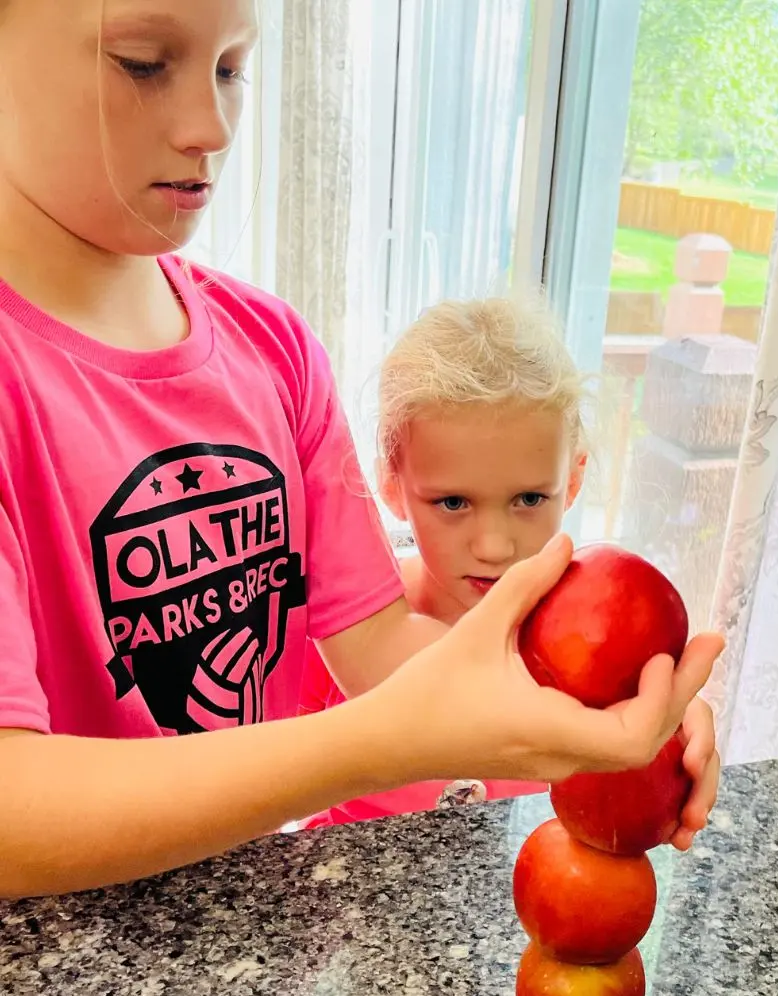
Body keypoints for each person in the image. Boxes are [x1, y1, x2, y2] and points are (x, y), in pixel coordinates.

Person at [0, 0, 722, 900]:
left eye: (230, 68)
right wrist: (372, 746)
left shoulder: (273, 348)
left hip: (255, 916)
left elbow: (377, 641)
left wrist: (608, 699)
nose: (210, 127)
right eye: (143, 62)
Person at [298, 297, 720, 839]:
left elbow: (628, 754)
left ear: (572, 480)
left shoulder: (593, 641)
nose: (495, 547)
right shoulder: (348, 633)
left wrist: (669, 735)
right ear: (392, 487)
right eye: (453, 502)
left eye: (528, 499)